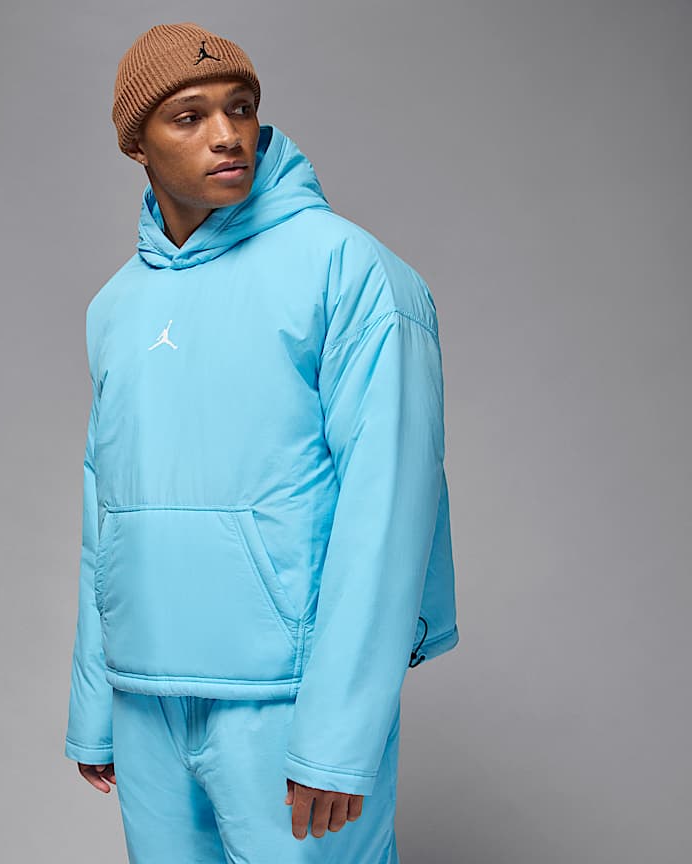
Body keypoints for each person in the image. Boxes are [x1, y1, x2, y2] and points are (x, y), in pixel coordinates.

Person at [64, 21, 460, 864]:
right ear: (136, 143)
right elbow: (105, 511)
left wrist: (338, 737)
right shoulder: (115, 307)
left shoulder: (349, 271)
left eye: (240, 107)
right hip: (145, 698)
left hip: (286, 700)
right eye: (189, 116)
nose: (227, 134)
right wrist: (95, 704)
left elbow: (390, 510)